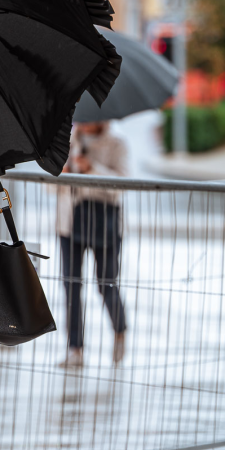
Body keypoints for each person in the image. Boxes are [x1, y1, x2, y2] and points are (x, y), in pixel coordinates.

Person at [56, 121, 129, 367]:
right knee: (71, 286)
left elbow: (122, 186)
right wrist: (61, 174)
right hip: (69, 224)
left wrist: (92, 169)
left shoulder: (117, 144)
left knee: (106, 284)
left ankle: (120, 329)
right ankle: (75, 349)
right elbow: (47, 186)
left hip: (104, 225)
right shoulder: (66, 143)